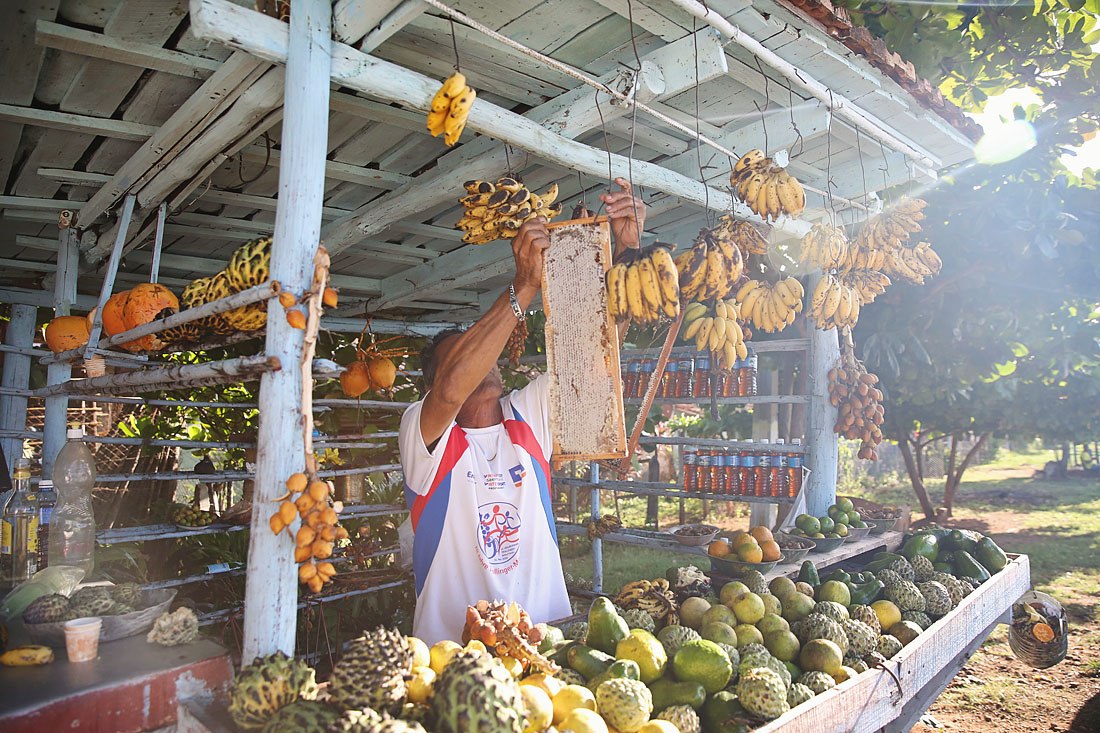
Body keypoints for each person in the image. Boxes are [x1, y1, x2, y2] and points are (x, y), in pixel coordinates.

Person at [398, 178, 647, 644]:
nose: (486, 361)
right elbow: (453, 389)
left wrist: (628, 252)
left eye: (488, 353)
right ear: (432, 382)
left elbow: (597, 355)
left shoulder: (525, 414)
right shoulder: (422, 429)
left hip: (544, 638)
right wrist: (524, 286)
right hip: (455, 654)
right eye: (467, 356)